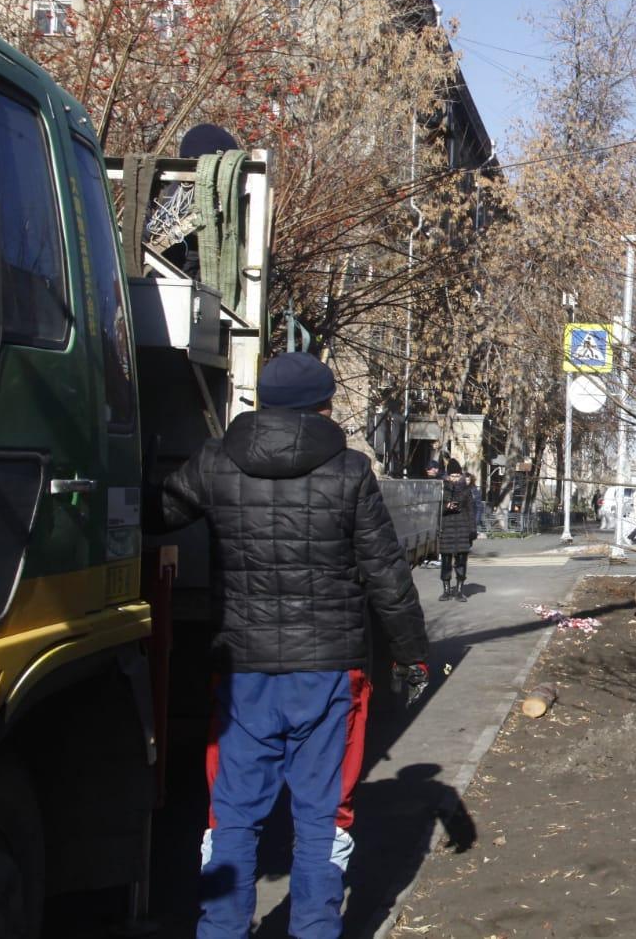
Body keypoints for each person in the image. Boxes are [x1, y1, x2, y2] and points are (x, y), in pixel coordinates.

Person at [159, 352, 429, 939]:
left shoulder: (215, 462)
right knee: (322, 817)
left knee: (231, 815)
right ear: (324, 405)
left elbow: (159, 512)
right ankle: (313, 930)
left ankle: (221, 928)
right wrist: (412, 653)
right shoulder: (350, 470)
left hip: (241, 672)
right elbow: (386, 573)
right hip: (329, 673)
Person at [438, 460, 476, 601]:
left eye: (457, 475)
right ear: (447, 476)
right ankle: (446, 590)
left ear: (461, 475)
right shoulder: (441, 488)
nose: (454, 478)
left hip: (462, 529)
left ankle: (460, 591)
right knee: (446, 561)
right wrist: (446, 507)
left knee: (461, 561)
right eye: (452, 476)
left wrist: (472, 531)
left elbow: (471, 511)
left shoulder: (466, 490)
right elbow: (436, 510)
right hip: (446, 529)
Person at [421, 459, 443, 566]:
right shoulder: (425, 480)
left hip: (438, 512)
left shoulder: (441, 480)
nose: (428, 471)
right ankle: (428, 555)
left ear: (436, 469)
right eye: (428, 469)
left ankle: (437, 555)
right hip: (428, 512)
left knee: (438, 533)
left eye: (431, 468)